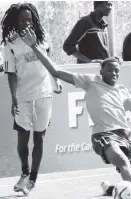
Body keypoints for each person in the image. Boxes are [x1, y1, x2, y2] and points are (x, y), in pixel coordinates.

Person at [19, 27, 131, 198]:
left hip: (124, 137)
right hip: (103, 135)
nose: (114, 73)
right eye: (110, 69)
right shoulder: (90, 81)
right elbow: (55, 71)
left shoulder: (121, 90)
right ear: (101, 71)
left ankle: (112, 189)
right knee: (123, 163)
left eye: (117, 71)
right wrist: (34, 46)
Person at [1, 3, 62, 195]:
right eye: (23, 20)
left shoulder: (42, 37)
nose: (27, 23)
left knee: (39, 137)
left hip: (44, 94)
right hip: (23, 95)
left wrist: (56, 80)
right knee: (22, 138)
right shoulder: (9, 42)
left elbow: (50, 63)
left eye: (30, 19)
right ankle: (24, 174)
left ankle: (32, 179)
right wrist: (13, 98)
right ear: (15, 23)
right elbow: (10, 73)